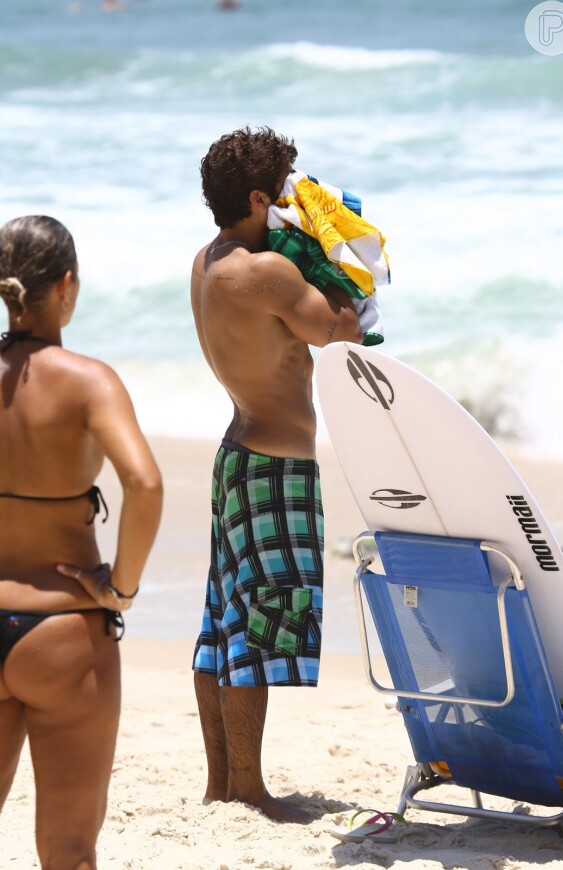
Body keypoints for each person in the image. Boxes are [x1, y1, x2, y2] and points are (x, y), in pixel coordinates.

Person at [190, 126, 363, 823]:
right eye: (283, 195)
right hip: (274, 466)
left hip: (237, 453)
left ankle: (220, 785)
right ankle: (249, 789)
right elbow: (342, 327)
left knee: (222, 625)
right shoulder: (264, 272)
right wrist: (330, 253)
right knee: (259, 628)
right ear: (258, 197)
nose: (290, 206)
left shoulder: (208, 261)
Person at [0, 215, 163, 869]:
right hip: (63, 631)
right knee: (68, 849)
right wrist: (119, 586)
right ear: (67, 285)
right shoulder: (90, 380)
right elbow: (144, 484)